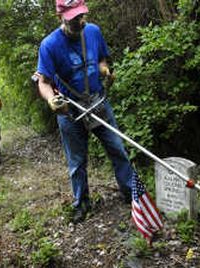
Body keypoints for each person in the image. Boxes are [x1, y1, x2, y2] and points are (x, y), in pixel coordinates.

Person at [36, 0, 135, 223]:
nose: (80, 21)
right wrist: (53, 100)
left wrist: (104, 70)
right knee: (77, 162)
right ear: (60, 17)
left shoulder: (93, 31)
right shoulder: (49, 45)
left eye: (82, 15)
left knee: (118, 148)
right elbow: (43, 82)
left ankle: (130, 192)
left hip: (98, 103)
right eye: (73, 18)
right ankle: (82, 203)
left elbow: (101, 58)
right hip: (72, 111)